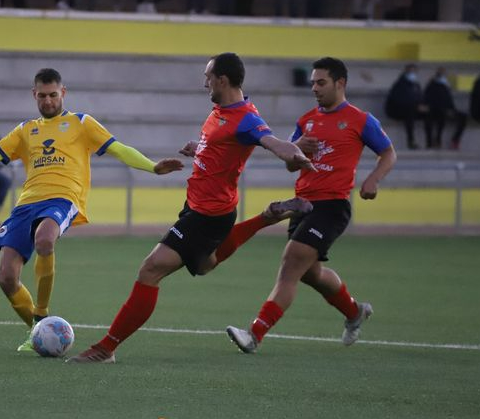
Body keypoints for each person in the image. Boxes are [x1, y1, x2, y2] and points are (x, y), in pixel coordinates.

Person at [68, 53, 315, 363]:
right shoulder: (220, 111)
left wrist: (294, 154)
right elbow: (220, 147)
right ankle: (267, 216)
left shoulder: (247, 118)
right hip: (201, 207)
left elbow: (274, 142)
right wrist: (198, 148)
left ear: (222, 80)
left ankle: (106, 347)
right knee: (204, 264)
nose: (204, 82)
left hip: (208, 215)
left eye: (208, 76)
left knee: (150, 269)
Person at [0, 69, 184, 350]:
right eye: (42, 96)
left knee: (45, 239)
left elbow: (118, 148)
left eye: (53, 95)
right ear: (34, 95)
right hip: (26, 204)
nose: (48, 101)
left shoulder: (81, 123)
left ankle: (42, 313)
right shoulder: (25, 130)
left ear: (63, 93)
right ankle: (37, 332)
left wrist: (152, 166)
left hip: (63, 198)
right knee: (6, 277)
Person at [226, 56, 397, 354]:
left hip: (332, 206)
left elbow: (389, 153)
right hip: (303, 205)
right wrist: (298, 151)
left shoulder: (360, 120)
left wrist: (374, 179)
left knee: (292, 261)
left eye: (321, 82)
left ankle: (254, 334)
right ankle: (354, 312)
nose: (315, 88)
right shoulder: (306, 121)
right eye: (313, 83)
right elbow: (292, 166)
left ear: (340, 83)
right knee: (310, 273)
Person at [384, 64, 428, 150]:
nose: (412, 74)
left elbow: (420, 99)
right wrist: (416, 106)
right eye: (410, 71)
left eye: (414, 71)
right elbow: (400, 101)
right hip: (397, 110)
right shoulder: (400, 84)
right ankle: (411, 141)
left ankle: (431, 142)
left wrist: (423, 106)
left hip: (413, 109)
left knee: (429, 113)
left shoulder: (416, 85)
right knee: (410, 113)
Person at [424, 67, 467, 150]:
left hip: (449, 110)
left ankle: (455, 139)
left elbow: (449, 101)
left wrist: (451, 109)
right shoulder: (432, 86)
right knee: (440, 115)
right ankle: (436, 140)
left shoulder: (446, 86)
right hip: (436, 110)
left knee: (463, 117)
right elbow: (429, 101)